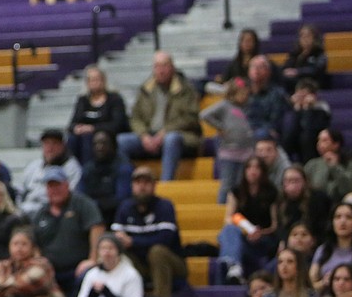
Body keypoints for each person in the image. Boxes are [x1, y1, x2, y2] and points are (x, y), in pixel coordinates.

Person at [111, 167, 187, 297]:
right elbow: (117, 238)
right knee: (118, 253)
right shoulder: (124, 208)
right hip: (141, 265)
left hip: (172, 264)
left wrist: (133, 242)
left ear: (154, 185)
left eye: (146, 182)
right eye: (138, 182)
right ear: (132, 186)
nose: (142, 186)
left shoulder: (164, 206)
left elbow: (165, 239)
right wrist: (124, 242)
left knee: (157, 251)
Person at [116, 52, 201, 182]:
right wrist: (143, 135)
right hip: (150, 136)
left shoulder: (186, 89)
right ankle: (134, 184)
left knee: (171, 139)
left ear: (172, 67)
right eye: (157, 66)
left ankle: (166, 185)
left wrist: (165, 132)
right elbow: (135, 118)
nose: (161, 71)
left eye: (164, 66)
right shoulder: (146, 89)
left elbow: (190, 118)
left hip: (181, 136)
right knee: (121, 141)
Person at [31, 166, 104, 295]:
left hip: (78, 268)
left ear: (67, 185)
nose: (55, 190)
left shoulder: (82, 203)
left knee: (87, 278)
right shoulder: (41, 213)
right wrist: (39, 262)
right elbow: (34, 242)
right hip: (51, 271)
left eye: (58, 185)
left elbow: (97, 227)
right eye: (51, 186)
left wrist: (92, 259)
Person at [216, 156, 279, 284]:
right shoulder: (236, 191)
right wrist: (245, 231)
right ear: (244, 171)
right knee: (229, 230)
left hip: (264, 238)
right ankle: (234, 267)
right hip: (243, 235)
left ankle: (233, 265)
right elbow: (228, 218)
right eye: (249, 167)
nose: (253, 171)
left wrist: (260, 233)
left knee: (227, 238)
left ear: (263, 171)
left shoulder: (272, 192)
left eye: (257, 167)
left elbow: (275, 225)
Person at [201, 77, 254, 204]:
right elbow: (204, 114)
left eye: (246, 94)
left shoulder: (247, 107)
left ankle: (237, 209)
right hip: (229, 151)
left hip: (245, 151)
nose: (244, 97)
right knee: (227, 183)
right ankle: (221, 208)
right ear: (233, 93)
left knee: (240, 184)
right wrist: (221, 127)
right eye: (242, 94)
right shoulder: (225, 106)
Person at [66, 66, 129, 164]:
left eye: (97, 79)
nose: (94, 82)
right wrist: (76, 128)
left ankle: (88, 169)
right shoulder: (83, 100)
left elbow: (117, 124)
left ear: (104, 81)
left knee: (89, 138)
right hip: (83, 137)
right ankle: (73, 170)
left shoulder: (114, 99)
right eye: (91, 80)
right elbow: (72, 124)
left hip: (108, 135)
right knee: (72, 138)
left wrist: (93, 128)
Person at [17, 130, 83, 216]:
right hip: (26, 208)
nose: (50, 148)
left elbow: (70, 195)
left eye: (54, 143)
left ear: (62, 146)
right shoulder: (34, 166)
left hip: (53, 211)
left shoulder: (72, 168)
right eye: (46, 143)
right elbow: (20, 191)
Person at [76, 130, 132, 225]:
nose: (99, 147)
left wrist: (94, 204)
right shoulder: (88, 168)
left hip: (115, 218)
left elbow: (122, 200)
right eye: (95, 144)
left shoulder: (123, 167)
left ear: (113, 145)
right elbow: (79, 196)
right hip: (91, 217)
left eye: (103, 143)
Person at [311, 202, 352, 293]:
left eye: (349, 217)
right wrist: (325, 282)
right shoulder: (322, 250)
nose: (343, 221)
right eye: (338, 217)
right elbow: (312, 283)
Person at [304, 128, 352, 204]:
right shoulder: (312, 164)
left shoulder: (350, 164)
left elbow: (350, 189)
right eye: (318, 140)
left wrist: (335, 167)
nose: (319, 144)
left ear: (336, 144)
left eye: (324, 140)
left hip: (342, 203)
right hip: (317, 204)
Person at [280, 23, 328, 91]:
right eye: (302, 36)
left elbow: (316, 70)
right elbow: (286, 67)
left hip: (311, 84)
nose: (305, 39)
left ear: (314, 38)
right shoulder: (295, 54)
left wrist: (297, 72)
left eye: (308, 36)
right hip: (294, 82)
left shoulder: (319, 54)